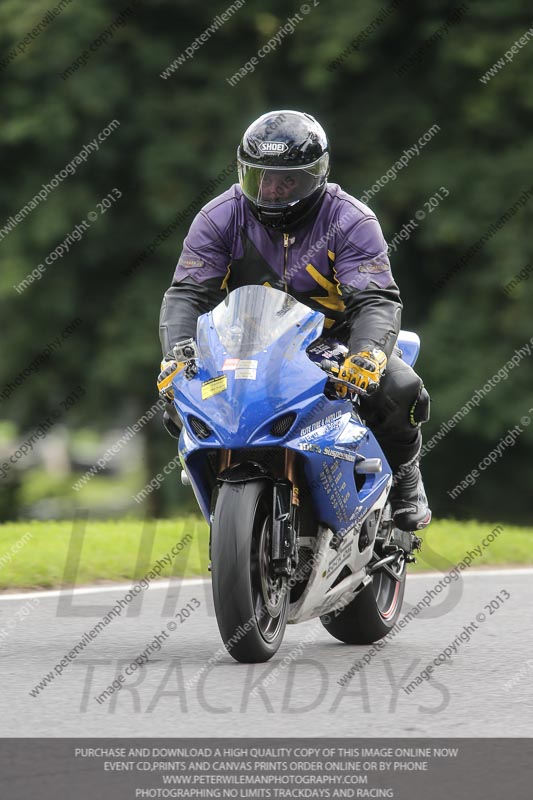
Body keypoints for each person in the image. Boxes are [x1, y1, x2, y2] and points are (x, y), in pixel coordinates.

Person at [157, 110, 431, 531]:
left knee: (400, 388)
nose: (270, 190)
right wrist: (177, 352)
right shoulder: (219, 216)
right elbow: (187, 292)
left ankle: (406, 476)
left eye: (286, 180)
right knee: (178, 401)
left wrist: (368, 354)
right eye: (259, 178)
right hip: (244, 342)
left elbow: (376, 297)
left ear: (316, 176)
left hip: (334, 339)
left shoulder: (351, 220)